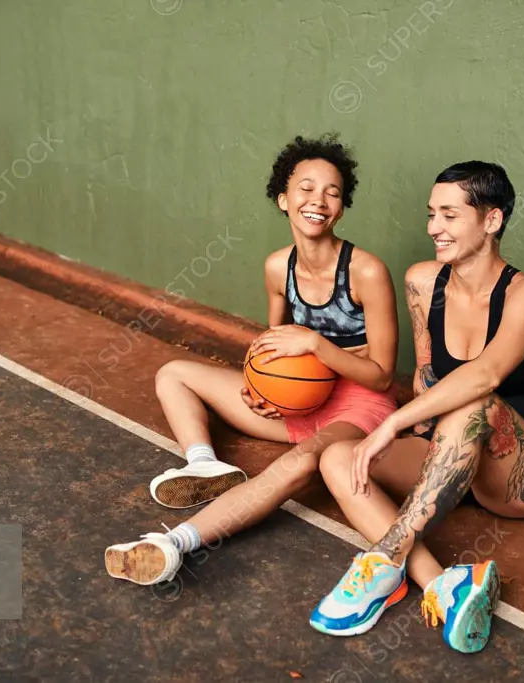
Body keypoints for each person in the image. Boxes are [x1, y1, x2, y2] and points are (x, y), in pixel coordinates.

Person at [104, 133, 402, 587]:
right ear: (283, 199)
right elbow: (271, 346)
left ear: (342, 207)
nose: (318, 200)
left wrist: (317, 345)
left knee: (298, 463)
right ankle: (204, 463)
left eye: (332, 192)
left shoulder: (365, 271)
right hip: (302, 404)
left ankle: (172, 544)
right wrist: (259, 389)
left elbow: (381, 377)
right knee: (174, 374)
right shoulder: (276, 267)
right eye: (305, 188)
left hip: (357, 408)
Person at [307, 161, 524, 655]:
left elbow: (485, 376)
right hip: (452, 461)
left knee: (476, 403)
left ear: (491, 221)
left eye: (449, 216)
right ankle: (441, 584)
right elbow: (428, 376)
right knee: (337, 458)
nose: (434, 228)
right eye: (432, 214)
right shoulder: (423, 282)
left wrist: (393, 422)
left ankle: (384, 561)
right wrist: (407, 433)